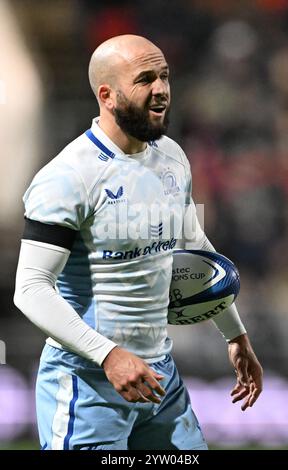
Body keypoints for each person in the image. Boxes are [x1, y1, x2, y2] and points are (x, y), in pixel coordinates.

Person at [14, 34, 263, 451]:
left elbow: (193, 244)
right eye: (145, 79)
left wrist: (235, 335)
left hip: (160, 377)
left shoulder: (171, 157)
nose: (162, 89)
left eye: (164, 76)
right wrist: (110, 356)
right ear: (107, 95)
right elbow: (31, 288)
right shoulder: (68, 177)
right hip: (88, 382)